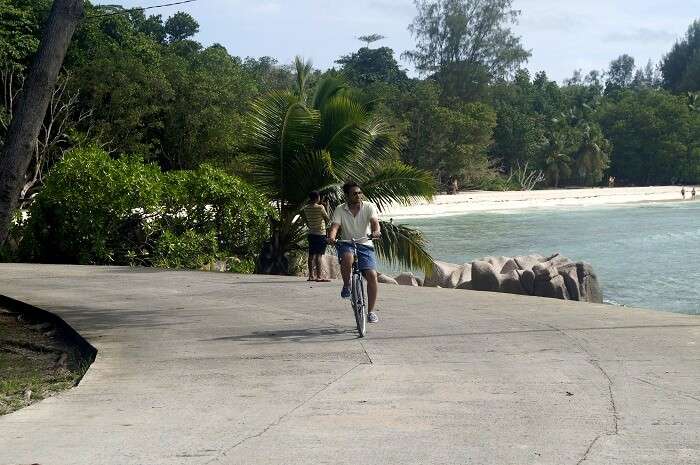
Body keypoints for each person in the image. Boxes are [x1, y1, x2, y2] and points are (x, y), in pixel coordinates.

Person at [327, 181, 382, 323]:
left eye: (359, 193)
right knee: (347, 257)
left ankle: (370, 312)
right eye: (354, 193)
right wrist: (332, 237)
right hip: (347, 243)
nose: (358, 195)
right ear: (347, 196)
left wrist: (376, 231)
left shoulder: (368, 206)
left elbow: (375, 222)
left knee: (372, 275)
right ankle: (347, 285)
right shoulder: (340, 209)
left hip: (365, 243)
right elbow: (335, 226)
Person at [302, 191, 331, 282]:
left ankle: (311, 276)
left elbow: (307, 220)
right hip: (320, 234)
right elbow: (327, 219)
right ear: (317, 198)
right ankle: (319, 276)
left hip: (311, 234)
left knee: (311, 255)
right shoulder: (320, 207)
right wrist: (326, 207)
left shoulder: (306, 208)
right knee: (319, 255)